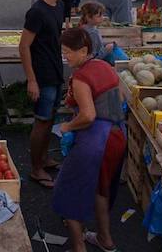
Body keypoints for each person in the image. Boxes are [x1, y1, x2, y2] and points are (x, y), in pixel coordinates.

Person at [52, 27, 126, 252]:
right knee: (100, 189)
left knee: (68, 190)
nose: (65, 56)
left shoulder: (81, 77)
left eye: (68, 52)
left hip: (96, 142)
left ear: (84, 51)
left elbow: (88, 115)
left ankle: (78, 247)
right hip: (117, 136)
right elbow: (120, 99)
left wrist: (67, 126)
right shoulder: (105, 66)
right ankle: (106, 240)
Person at [20, 0, 69, 189]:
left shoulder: (59, 6)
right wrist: (32, 80)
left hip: (56, 72)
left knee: (50, 118)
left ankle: (44, 159)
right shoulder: (37, 12)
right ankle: (35, 168)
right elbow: (24, 47)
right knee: (41, 122)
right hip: (42, 76)